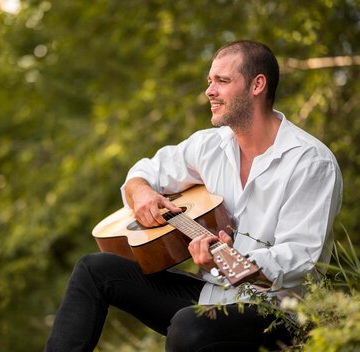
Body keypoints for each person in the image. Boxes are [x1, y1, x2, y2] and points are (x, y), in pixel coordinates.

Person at [45, 40, 343, 351]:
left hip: (276, 311)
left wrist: (228, 261)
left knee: (189, 326)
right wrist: (142, 192)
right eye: (210, 81)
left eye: (222, 81)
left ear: (257, 85)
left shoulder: (309, 162)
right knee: (94, 270)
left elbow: (300, 259)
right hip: (209, 294)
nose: (210, 91)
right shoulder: (209, 145)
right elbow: (144, 172)